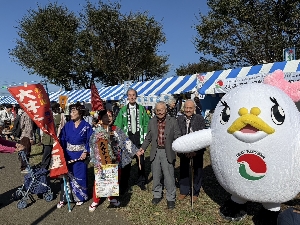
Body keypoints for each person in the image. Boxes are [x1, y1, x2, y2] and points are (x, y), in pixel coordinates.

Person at [138, 101, 181, 209]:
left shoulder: (173, 121)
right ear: (155, 111)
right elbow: (148, 137)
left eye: (162, 109)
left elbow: (178, 136)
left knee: (169, 176)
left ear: (166, 110)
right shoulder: (152, 121)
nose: (160, 112)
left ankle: (171, 198)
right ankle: (157, 194)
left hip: (168, 151)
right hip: (156, 151)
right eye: (157, 110)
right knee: (156, 175)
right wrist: (143, 148)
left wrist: (180, 147)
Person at [57, 103, 93, 208]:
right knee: (66, 176)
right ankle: (65, 198)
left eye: (74, 111)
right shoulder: (67, 125)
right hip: (68, 154)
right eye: (71, 111)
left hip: (80, 155)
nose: (71, 114)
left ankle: (80, 197)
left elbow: (90, 140)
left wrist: (85, 152)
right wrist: (59, 148)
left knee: (80, 176)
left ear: (80, 113)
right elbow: (62, 138)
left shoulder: (86, 126)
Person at [114, 88, 150, 193]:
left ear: (136, 96)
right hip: (127, 138)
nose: (132, 97)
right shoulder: (123, 110)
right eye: (130, 95)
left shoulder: (142, 109)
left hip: (139, 137)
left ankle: (141, 182)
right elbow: (118, 125)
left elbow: (147, 123)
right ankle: (124, 184)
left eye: (134, 95)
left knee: (141, 161)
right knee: (126, 163)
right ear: (127, 97)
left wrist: (145, 137)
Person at [176, 99, 206, 202]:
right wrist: (184, 150)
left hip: (196, 150)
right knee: (184, 170)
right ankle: (184, 190)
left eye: (190, 108)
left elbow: (202, 137)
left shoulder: (200, 119)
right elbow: (178, 135)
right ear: (183, 108)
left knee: (197, 170)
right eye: (186, 108)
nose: (188, 110)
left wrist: (195, 151)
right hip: (184, 150)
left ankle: (195, 191)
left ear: (194, 109)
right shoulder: (179, 119)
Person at [40, 102, 66, 170]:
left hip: (56, 138)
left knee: (57, 156)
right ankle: (43, 171)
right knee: (46, 155)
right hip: (47, 138)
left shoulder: (61, 115)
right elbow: (42, 127)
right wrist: (42, 136)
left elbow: (63, 126)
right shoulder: (46, 115)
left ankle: (57, 171)